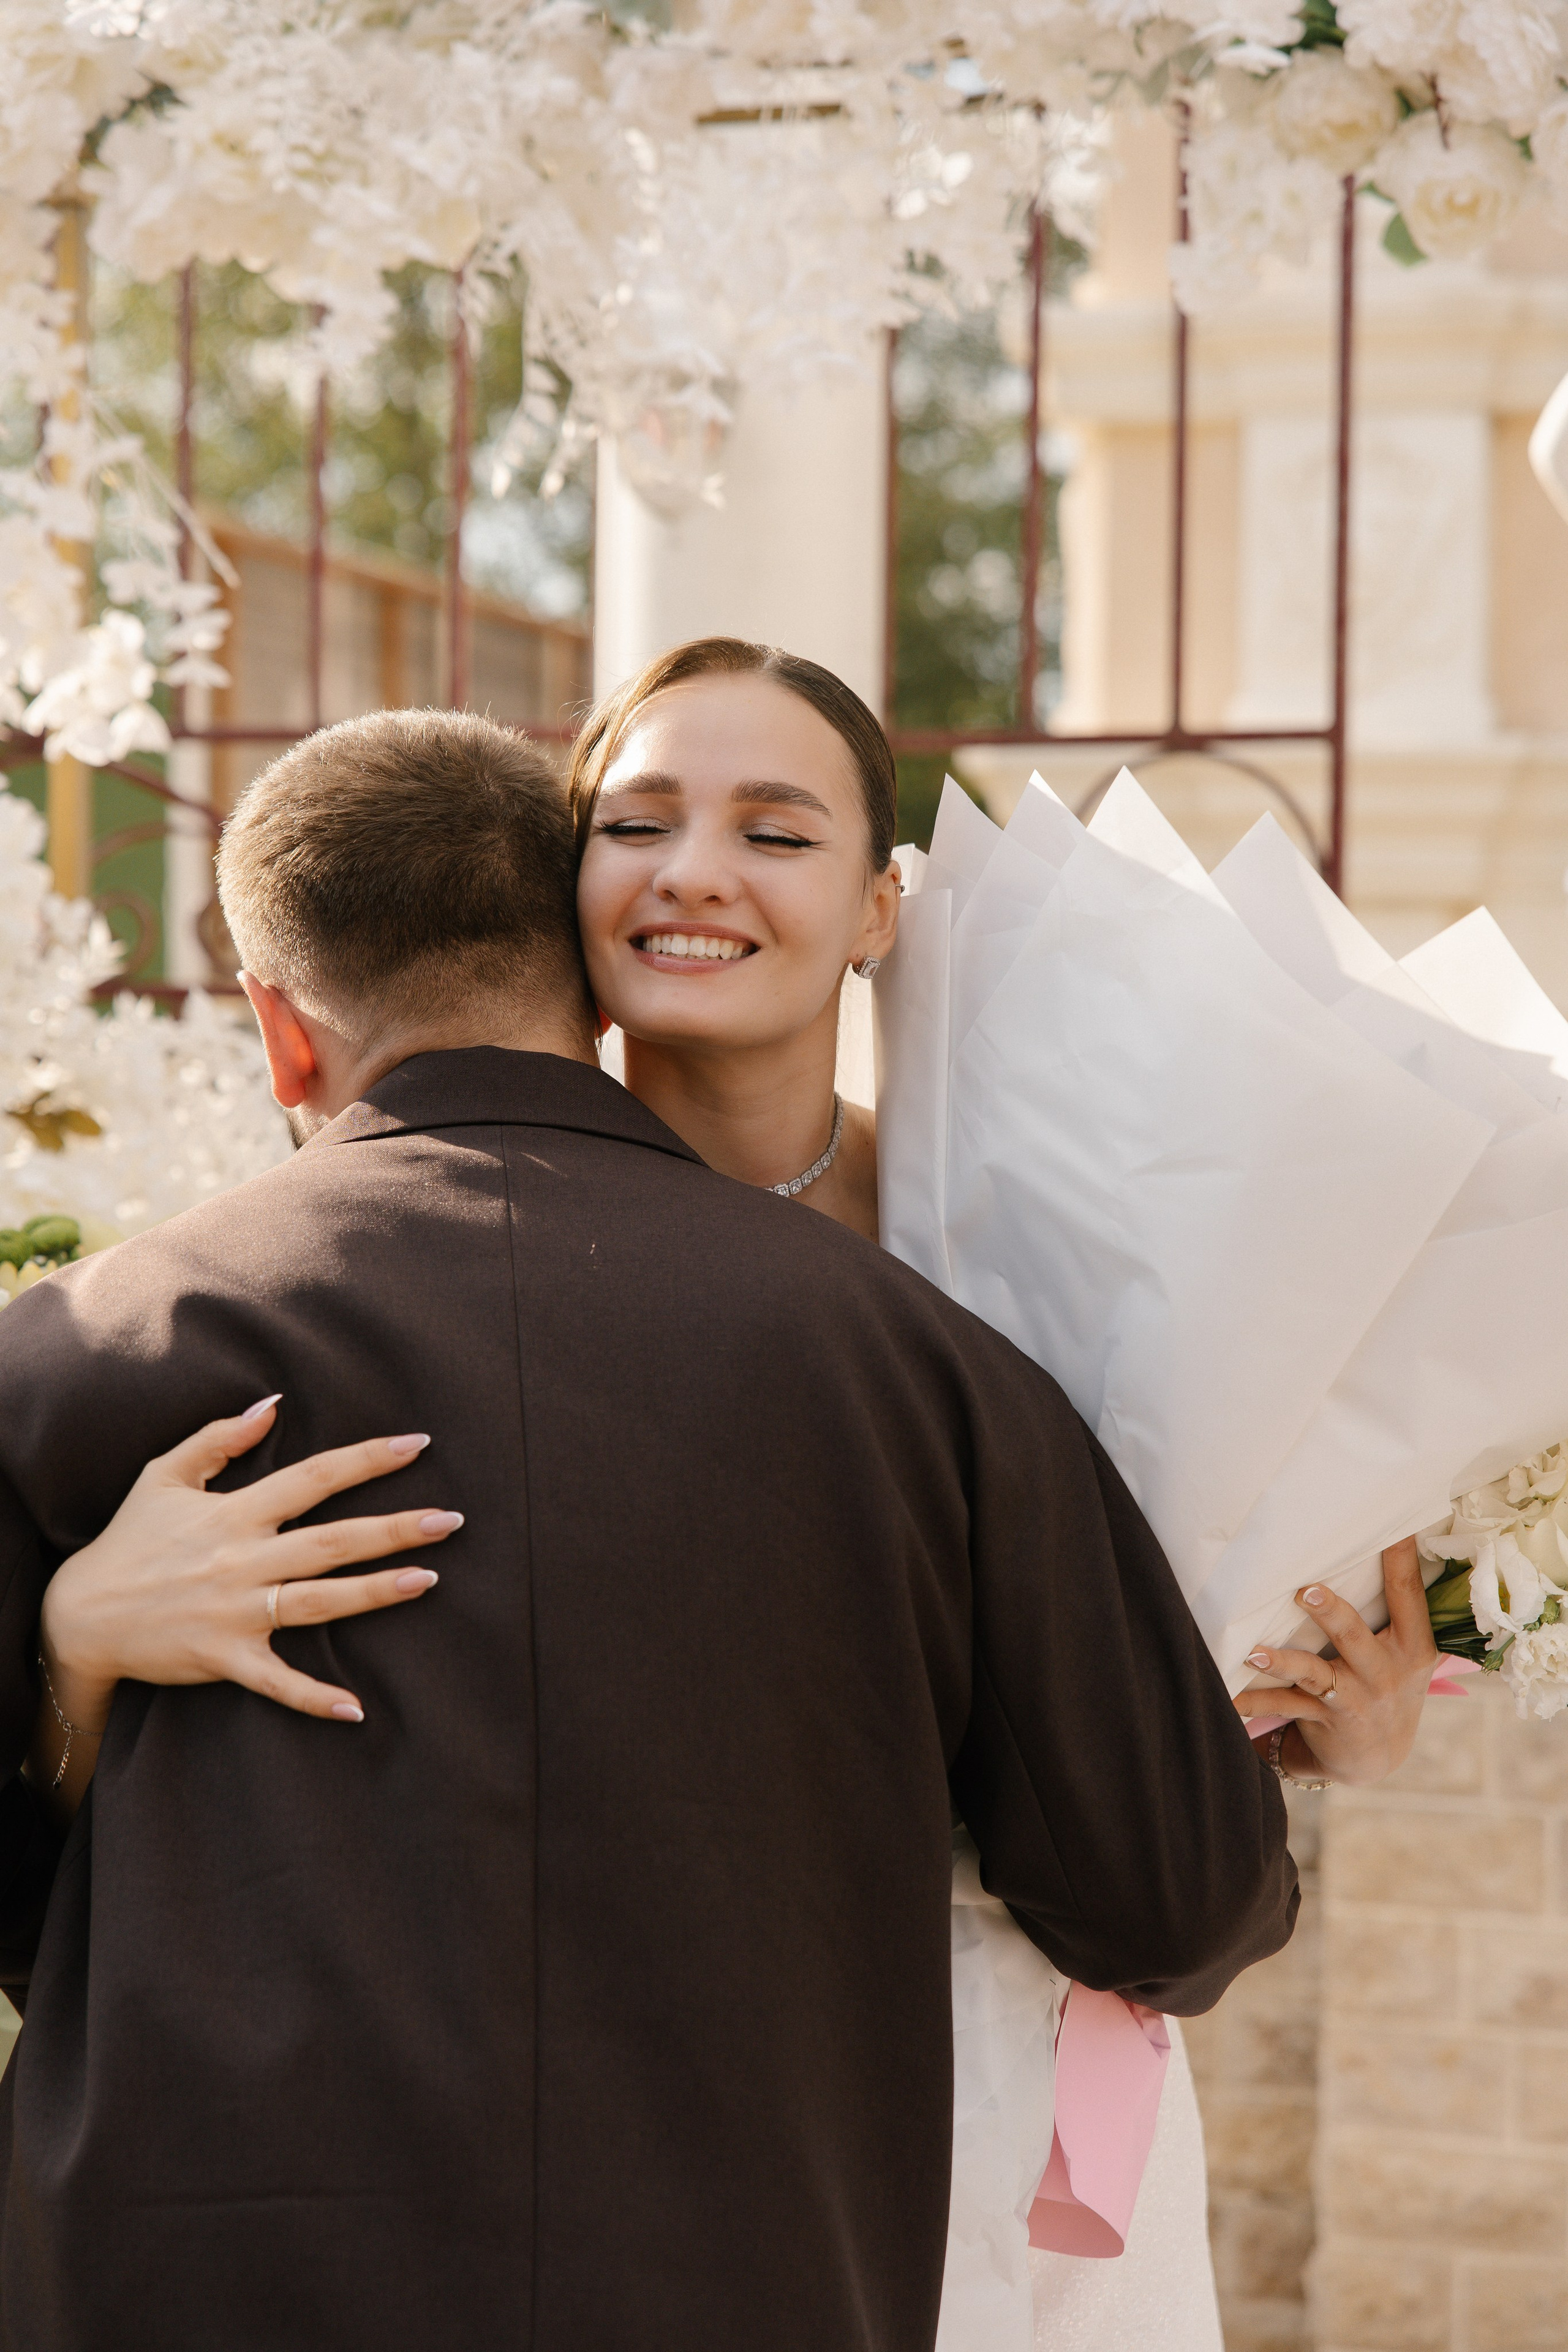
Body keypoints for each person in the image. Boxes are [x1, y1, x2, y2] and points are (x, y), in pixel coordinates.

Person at [0, 707, 1298, 2352]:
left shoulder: (78, 1361)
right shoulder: (924, 1370)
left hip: (189, 2278)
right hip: (741, 2275)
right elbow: (1174, 1899)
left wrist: (61, 1657)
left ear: (282, 1031)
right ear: (587, 979)